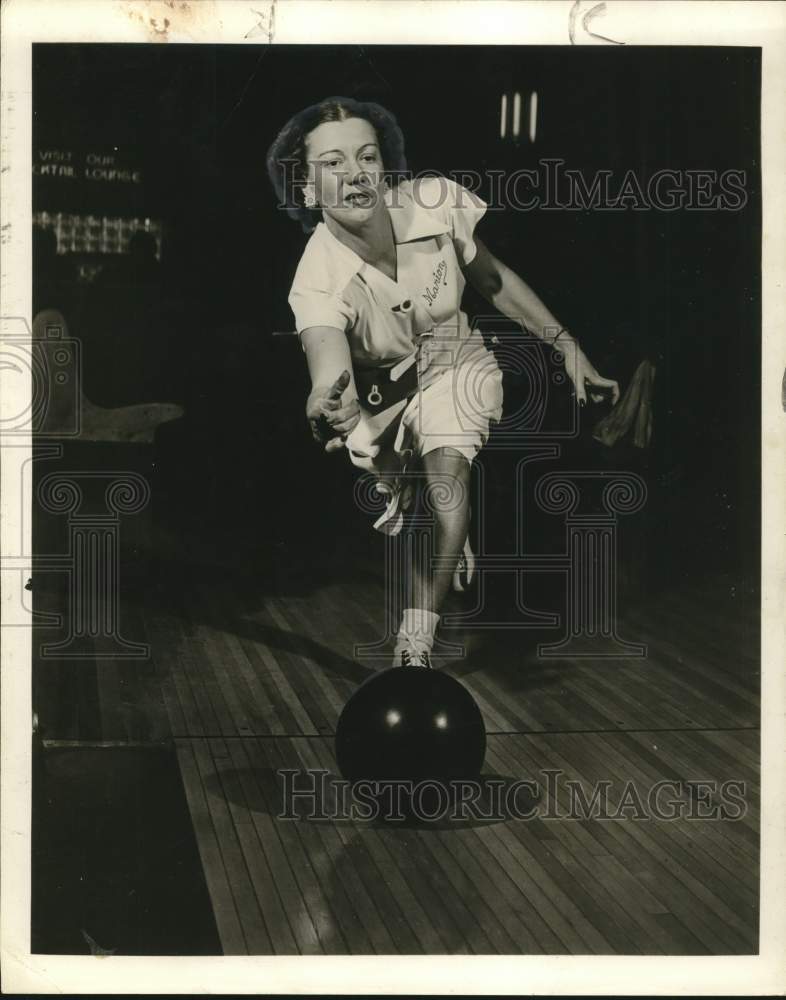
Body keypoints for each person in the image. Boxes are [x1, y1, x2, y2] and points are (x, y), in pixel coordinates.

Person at [267, 97, 619, 669]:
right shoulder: (317, 280)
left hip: (457, 361)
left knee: (447, 482)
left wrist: (569, 349)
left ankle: (416, 643)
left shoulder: (433, 203)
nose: (356, 174)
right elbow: (329, 370)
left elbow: (494, 280)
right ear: (306, 187)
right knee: (422, 516)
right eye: (333, 163)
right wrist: (325, 405)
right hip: (383, 400)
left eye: (368, 157)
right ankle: (447, 533)